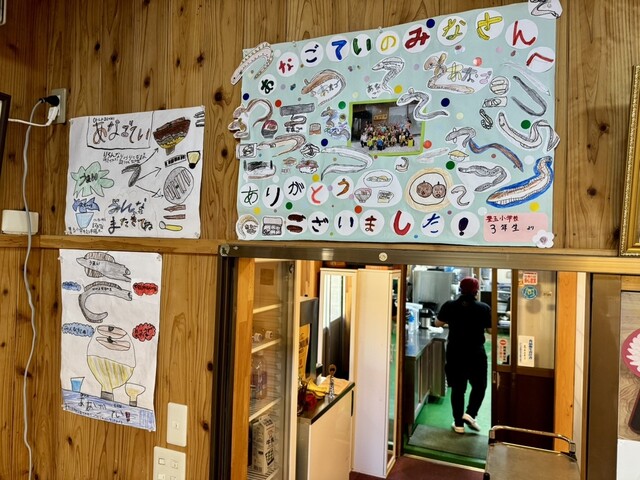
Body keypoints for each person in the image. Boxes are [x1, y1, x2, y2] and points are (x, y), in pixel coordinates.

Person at [435, 277, 491, 434]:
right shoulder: (483, 308)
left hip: (455, 352)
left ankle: (459, 424)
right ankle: (470, 413)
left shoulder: (449, 305)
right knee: (480, 385)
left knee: (458, 389)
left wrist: (454, 321)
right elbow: (491, 330)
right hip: (476, 352)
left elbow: (438, 323)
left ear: (460, 289)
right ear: (476, 291)